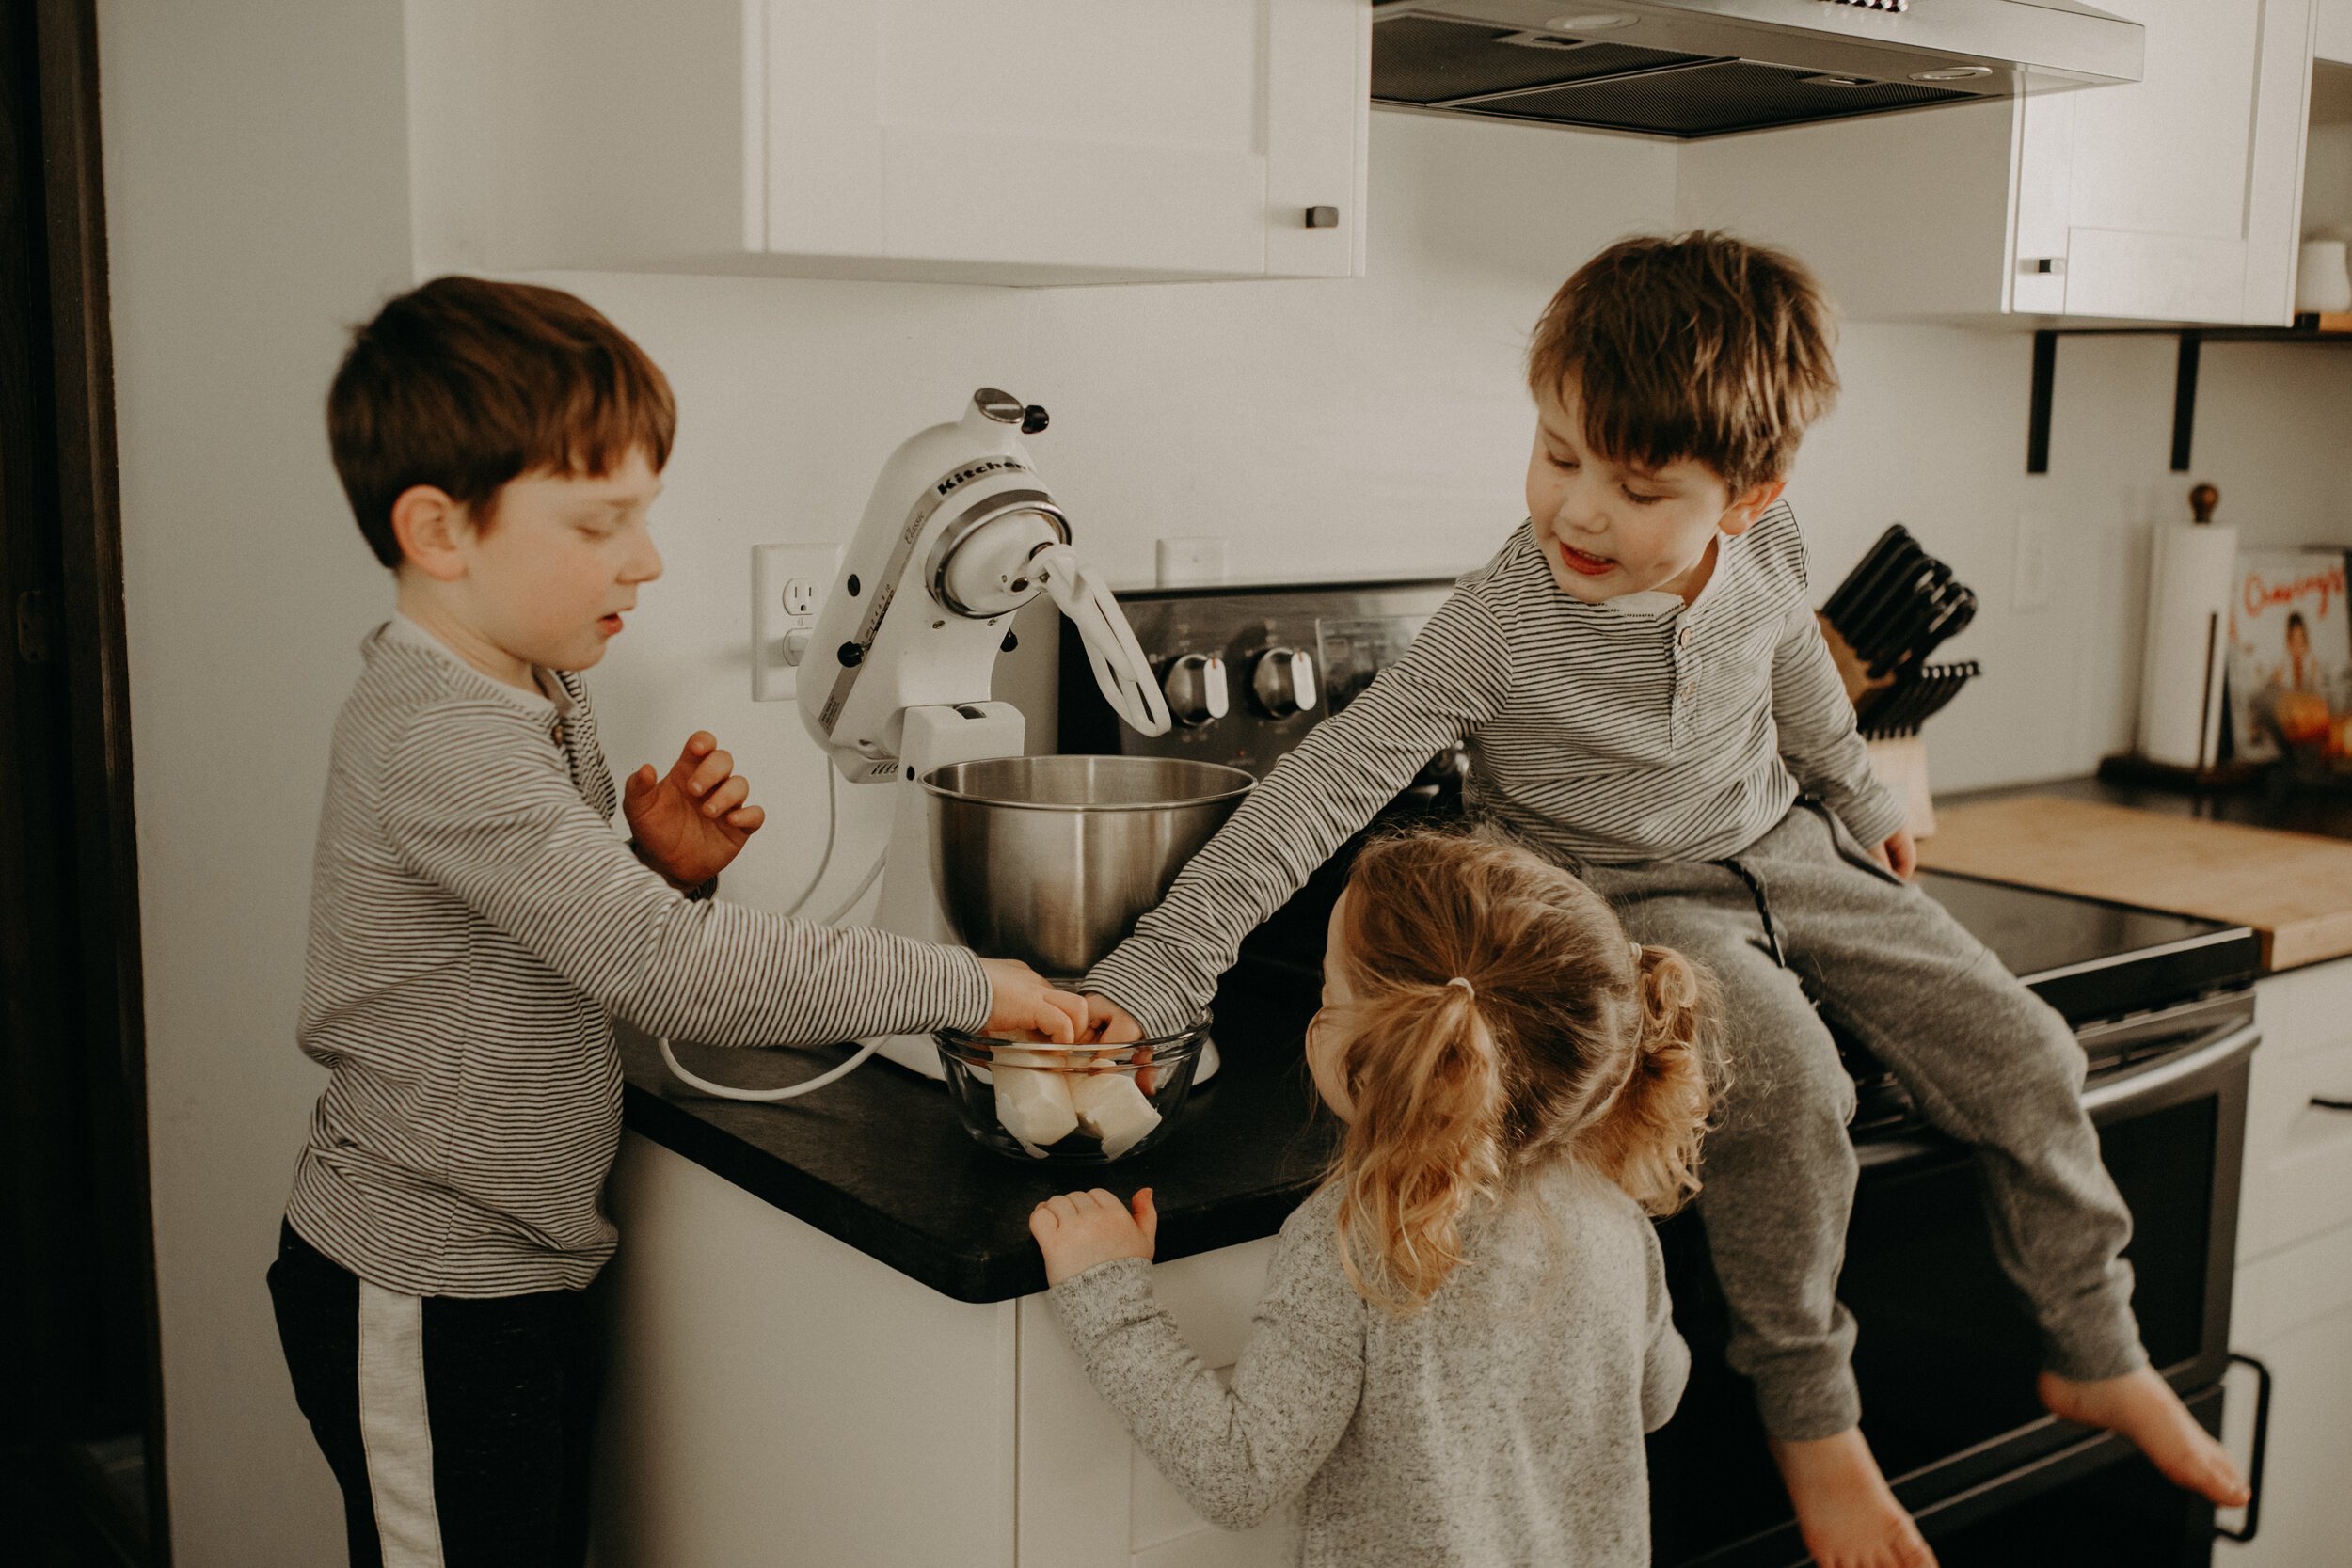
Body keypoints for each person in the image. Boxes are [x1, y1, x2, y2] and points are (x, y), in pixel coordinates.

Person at [1078, 233, 2249, 1568]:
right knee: (1794, 1089)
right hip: (1625, 895)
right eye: (1557, 452)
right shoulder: (1496, 623)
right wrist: (1170, 958)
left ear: (1750, 494)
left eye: (1636, 486)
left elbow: (1795, 660)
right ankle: (1817, 1421)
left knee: (2029, 1046)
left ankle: (2098, 1344)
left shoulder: (1771, 547)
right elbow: (1320, 785)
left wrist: (1856, 790)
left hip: (1788, 843)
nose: (1577, 509)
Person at [267, 276, 1086, 1566]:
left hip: (510, 1266)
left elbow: (553, 933)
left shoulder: (532, 680)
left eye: (642, 514)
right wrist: (968, 985)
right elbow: (672, 975)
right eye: (603, 522)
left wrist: (658, 865)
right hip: (423, 1279)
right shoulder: (437, 732)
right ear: (439, 528)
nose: (646, 558)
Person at [1031, 831, 1707, 1567]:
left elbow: (1241, 1476)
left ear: (1407, 1053)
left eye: (1330, 992)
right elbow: (1656, 1395)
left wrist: (1109, 1296)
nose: (1315, 1010)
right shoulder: (1612, 1212)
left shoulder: (1355, 1237)